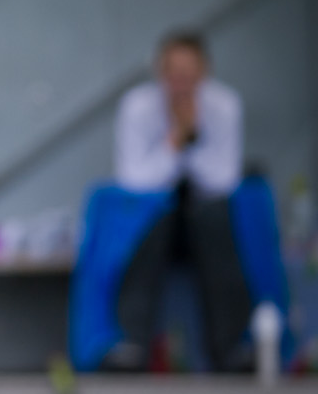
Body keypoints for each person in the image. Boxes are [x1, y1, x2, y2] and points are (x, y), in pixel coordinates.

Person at [105, 32, 250, 371]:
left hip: (205, 218)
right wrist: (175, 140)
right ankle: (132, 346)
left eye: (189, 74)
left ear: (204, 72)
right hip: (157, 220)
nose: (181, 84)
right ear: (160, 72)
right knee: (151, 221)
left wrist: (191, 137)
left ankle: (229, 351)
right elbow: (132, 179)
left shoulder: (224, 105)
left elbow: (224, 180)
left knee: (214, 217)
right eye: (173, 74)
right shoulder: (137, 106)